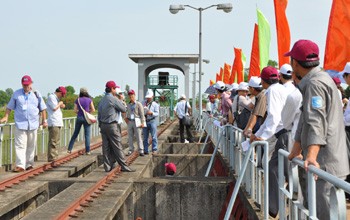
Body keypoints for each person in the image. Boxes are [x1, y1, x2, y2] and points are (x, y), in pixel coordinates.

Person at [286, 39, 350, 219]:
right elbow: (305, 120)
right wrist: (296, 150)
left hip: (324, 164)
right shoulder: (319, 79)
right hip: (328, 161)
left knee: (323, 214)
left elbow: (315, 121)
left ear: (295, 63)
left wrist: (311, 157)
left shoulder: (315, 84)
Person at [268, 68, 303, 217]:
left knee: (281, 170)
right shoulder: (325, 89)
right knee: (296, 176)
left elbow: (284, 119)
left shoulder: (291, 94)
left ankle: (275, 208)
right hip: (311, 141)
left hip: (290, 136)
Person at [0, 75, 47, 172]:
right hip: (21, 124)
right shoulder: (16, 94)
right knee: (20, 145)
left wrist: (44, 120)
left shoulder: (36, 94)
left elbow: (43, 108)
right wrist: (6, 116)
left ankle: (29, 164)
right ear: (22, 84)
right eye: (24, 85)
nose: (26, 86)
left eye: (28, 84)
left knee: (31, 145)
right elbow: (9, 107)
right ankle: (20, 165)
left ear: (31, 83)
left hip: (33, 124)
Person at [250, 66, 288, 163]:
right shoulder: (281, 88)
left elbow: (274, 116)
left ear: (262, 81)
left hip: (279, 131)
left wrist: (264, 136)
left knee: (267, 162)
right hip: (282, 130)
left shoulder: (272, 90)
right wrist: (258, 134)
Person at [98, 81, 135, 172]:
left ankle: (107, 166)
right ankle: (124, 166)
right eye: (114, 88)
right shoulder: (113, 99)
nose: (116, 90)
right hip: (112, 125)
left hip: (103, 125)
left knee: (105, 147)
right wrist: (121, 100)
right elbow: (123, 109)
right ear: (112, 89)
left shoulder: (102, 100)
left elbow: (99, 114)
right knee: (117, 145)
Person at [67, 87, 95, 154]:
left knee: (75, 134)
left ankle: (69, 149)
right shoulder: (89, 100)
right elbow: (93, 109)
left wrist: (79, 113)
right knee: (87, 135)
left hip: (79, 117)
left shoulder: (78, 100)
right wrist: (87, 113)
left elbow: (75, 110)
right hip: (86, 118)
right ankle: (88, 151)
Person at [46, 86, 66, 162]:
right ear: (59, 93)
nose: (62, 97)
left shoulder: (56, 99)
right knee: (53, 141)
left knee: (56, 141)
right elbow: (54, 108)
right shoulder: (51, 97)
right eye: (62, 95)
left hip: (57, 122)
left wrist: (61, 105)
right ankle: (52, 158)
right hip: (53, 122)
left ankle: (54, 157)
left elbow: (57, 107)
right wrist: (60, 103)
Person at [125, 89, 145, 156]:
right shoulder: (128, 104)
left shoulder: (138, 104)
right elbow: (125, 112)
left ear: (134, 95)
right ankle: (131, 149)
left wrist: (143, 122)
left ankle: (141, 150)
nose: (131, 96)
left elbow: (142, 114)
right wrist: (125, 118)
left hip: (137, 121)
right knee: (130, 136)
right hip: (130, 121)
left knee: (138, 136)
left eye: (132, 95)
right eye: (129, 95)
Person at [142, 90, 160, 155]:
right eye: (147, 97)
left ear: (152, 97)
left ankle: (154, 149)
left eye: (149, 97)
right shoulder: (143, 102)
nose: (148, 98)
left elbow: (157, 113)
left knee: (154, 136)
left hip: (152, 121)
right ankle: (145, 150)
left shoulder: (155, 104)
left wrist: (151, 113)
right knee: (145, 137)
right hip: (145, 121)